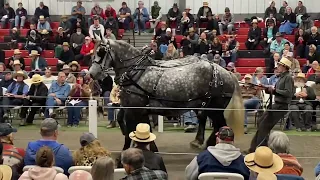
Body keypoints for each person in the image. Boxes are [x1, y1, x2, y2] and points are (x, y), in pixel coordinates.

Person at [248, 57, 294, 153]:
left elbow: (288, 93)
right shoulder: (282, 77)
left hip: (281, 106)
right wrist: (265, 88)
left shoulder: (288, 78)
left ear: (285, 67)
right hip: (277, 105)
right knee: (261, 122)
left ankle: (261, 149)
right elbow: (276, 90)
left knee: (264, 125)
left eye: (280, 65)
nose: (278, 67)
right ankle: (254, 148)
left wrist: (273, 90)